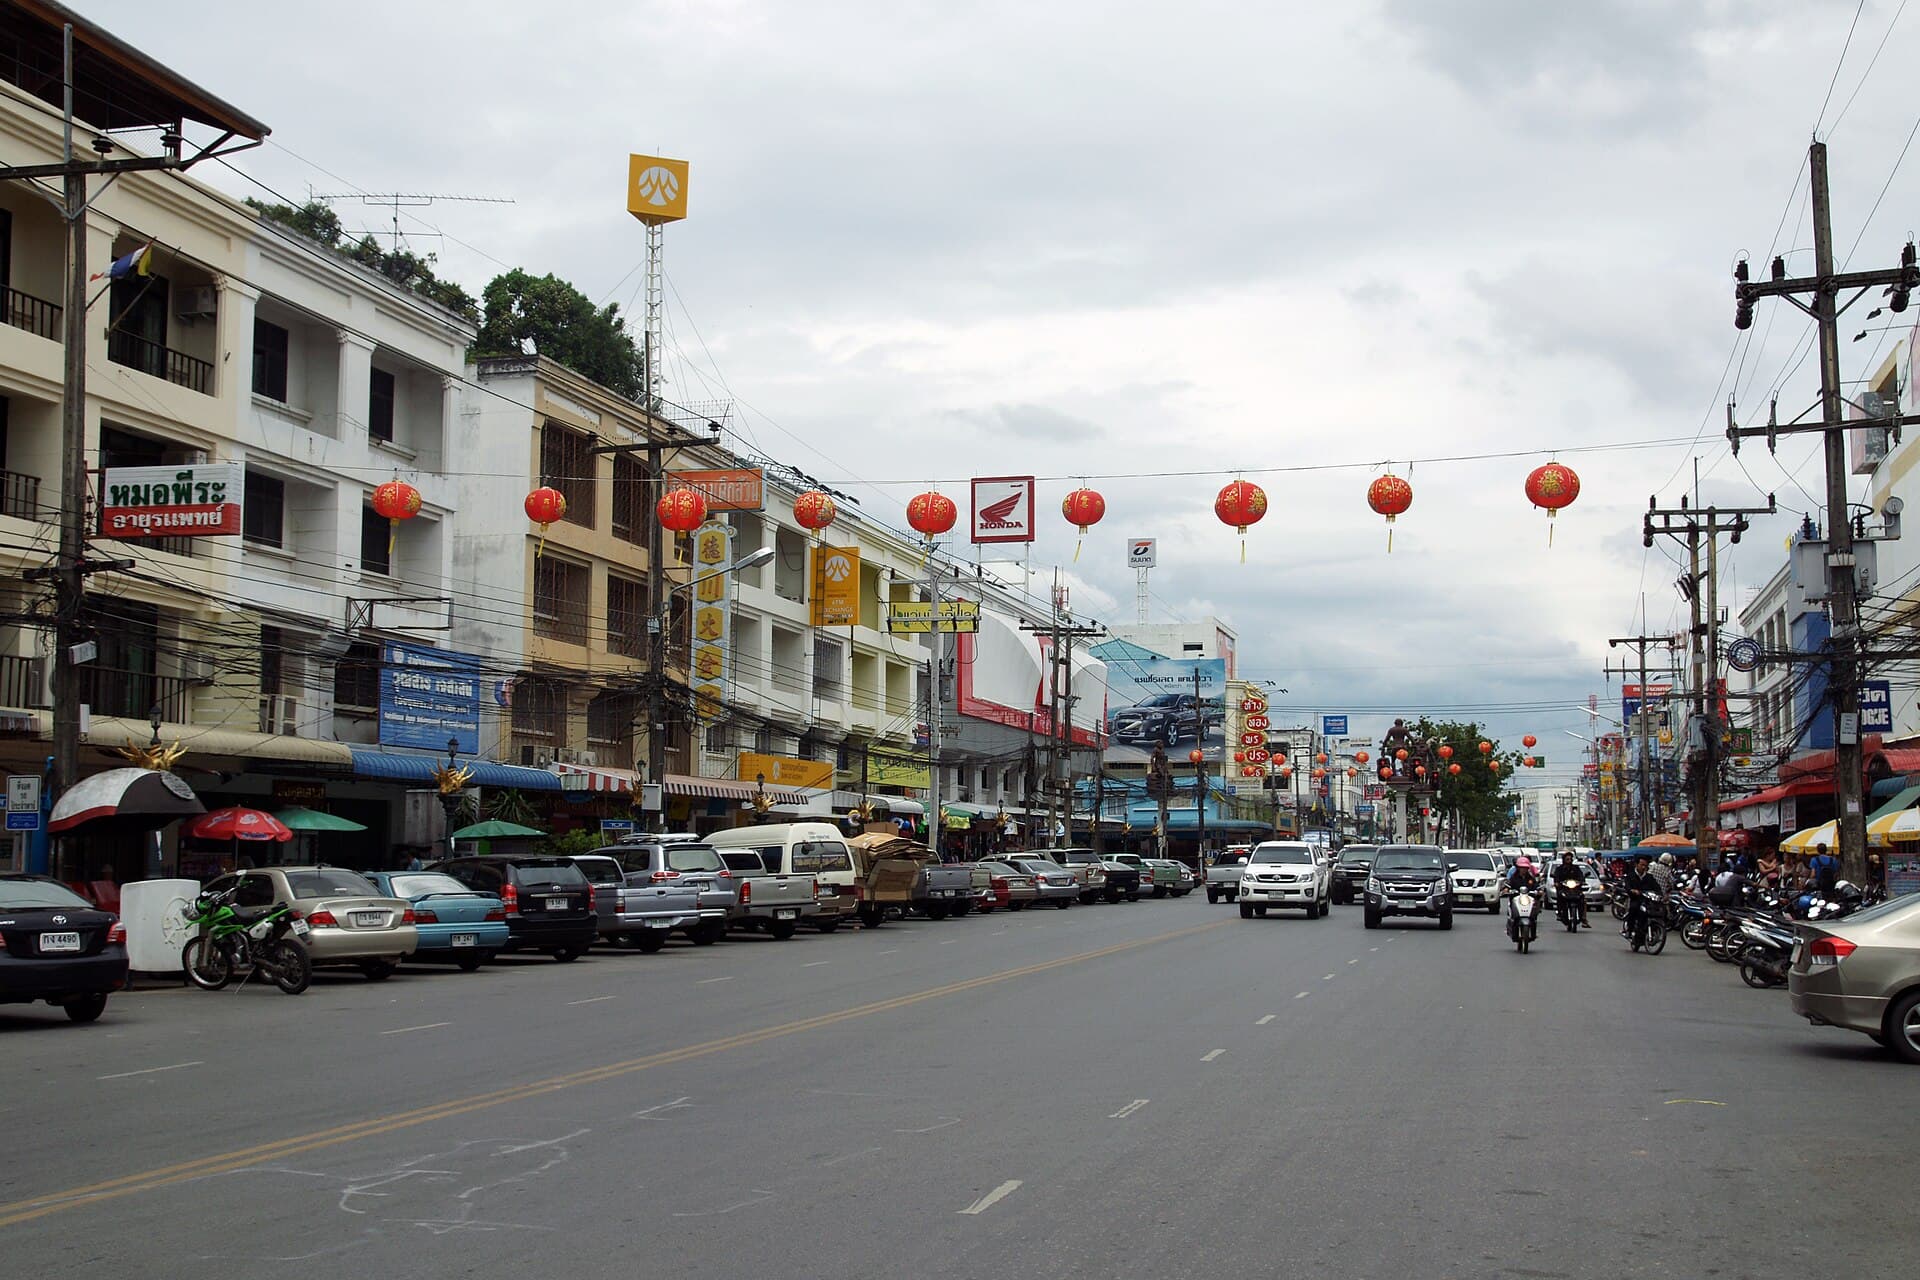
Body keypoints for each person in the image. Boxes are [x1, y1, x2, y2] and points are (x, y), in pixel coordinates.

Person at [1623, 854, 1661, 946]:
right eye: (1642, 865)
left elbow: (1657, 888)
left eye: (1645, 865)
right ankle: (1629, 929)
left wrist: (1660, 895)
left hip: (1647, 901)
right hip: (1635, 900)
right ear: (1636, 865)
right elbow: (1627, 887)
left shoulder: (1649, 877)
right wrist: (1632, 891)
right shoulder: (1631, 876)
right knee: (1633, 908)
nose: (1643, 867)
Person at [1551, 849, 1589, 928]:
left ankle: (1583, 917)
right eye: (1567, 859)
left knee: (1582, 898)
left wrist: (1582, 881)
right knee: (1560, 896)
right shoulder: (1559, 869)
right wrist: (1557, 882)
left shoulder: (1576, 868)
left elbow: (1581, 876)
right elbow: (1556, 877)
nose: (1569, 860)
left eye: (1570, 859)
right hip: (1564, 889)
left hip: (1575, 890)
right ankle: (1560, 913)